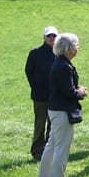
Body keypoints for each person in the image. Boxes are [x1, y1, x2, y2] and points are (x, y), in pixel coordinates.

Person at [37, 33, 89, 177]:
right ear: (69, 48)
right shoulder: (64, 66)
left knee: (52, 144)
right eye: (76, 45)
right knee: (61, 147)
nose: (78, 48)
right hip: (62, 111)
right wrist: (81, 92)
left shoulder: (59, 63)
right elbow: (69, 91)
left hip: (55, 109)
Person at [24, 26, 57, 161]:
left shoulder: (59, 52)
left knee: (53, 124)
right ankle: (37, 151)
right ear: (44, 37)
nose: (51, 38)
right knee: (40, 124)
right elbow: (28, 71)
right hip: (40, 96)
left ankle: (50, 150)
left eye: (54, 36)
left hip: (55, 95)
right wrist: (36, 86)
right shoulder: (35, 52)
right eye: (49, 36)